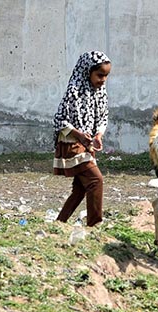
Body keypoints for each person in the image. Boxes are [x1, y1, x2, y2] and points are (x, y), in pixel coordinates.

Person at [53, 51, 112, 227]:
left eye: (106, 76)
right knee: (95, 180)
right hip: (72, 145)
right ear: (88, 72)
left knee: (80, 189)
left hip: (86, 145)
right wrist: (78, 134)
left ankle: (59, 222)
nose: (103, 80)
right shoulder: (74, 91)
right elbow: (59, 120)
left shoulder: (100, 92)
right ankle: (94, 224)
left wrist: (98, 135)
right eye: (100, 75)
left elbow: (103, 117)